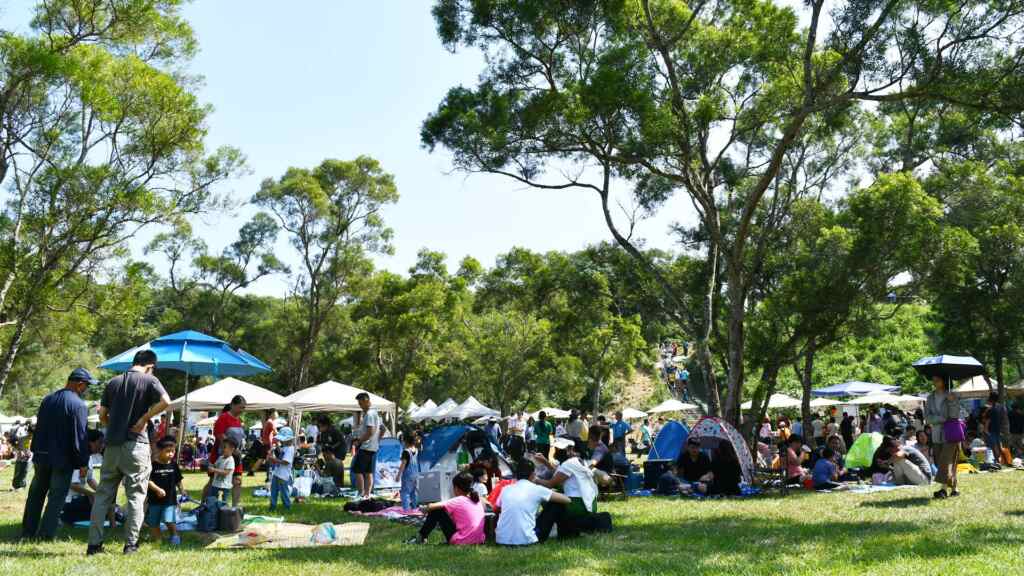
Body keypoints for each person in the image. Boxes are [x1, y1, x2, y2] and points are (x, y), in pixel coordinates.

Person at [88, 351, 170, 556]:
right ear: (150, 365)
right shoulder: (150, 379)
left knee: (103, 496)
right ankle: (131, 545)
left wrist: (114, 428)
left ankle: (94, 545)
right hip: (136, 445)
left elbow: (102, 415)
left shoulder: (113, 382)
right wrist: (144, 418)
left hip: (112, 447)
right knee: (135, 496)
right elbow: (166, 401)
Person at [20, 368, 96, 540]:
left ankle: (27, 532)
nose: (86, 390)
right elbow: (79, 437)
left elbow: (39, 429)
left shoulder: (48, 399)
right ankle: (46, 535)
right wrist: (83, 462)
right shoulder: (78, 405)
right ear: (79, 384)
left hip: (41, 455)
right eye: (86, 386)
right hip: (62, 459)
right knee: (56, 497)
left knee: (35, 495)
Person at [495, 459, 572, 546]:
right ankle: (567, 535)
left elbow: (497, 508)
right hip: (527, 540)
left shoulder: (506, 489)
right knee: (557, 505)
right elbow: (567, 500)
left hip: (501, 540)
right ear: (532, 475)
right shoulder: (537, 489)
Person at [407, 471, 485, 545]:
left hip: (461, 540)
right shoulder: (477, 500)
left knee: (437, 510)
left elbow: (432, 506)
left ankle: (421, 537)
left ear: (456, 488)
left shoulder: (458, 500)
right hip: (478, 540)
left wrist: (424, 509)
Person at [200, 395, 246, 507]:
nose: (242, 410)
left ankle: (235, 508)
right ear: (232, 405)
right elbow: (220, 436)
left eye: (243, 408)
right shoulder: (223, 418)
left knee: (237, 481)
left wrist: (237, 451)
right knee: (213, 482)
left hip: (236, 456)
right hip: (221, 455)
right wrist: (231, 450)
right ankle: (204, 504)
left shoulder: (238, 421)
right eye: (240, 407)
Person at [924, 375, 962, 499]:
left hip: (951, 433)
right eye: (933, 379)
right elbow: (927, 417)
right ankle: (955, 487)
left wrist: (952, 401)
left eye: (937, 379)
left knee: (946, 461)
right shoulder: (930, 398)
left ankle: (943, 490)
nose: (934, 382)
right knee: (941, 461)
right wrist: (939, 419)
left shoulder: (953, 395)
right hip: (936, 434)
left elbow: (955, 415)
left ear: (944, 381)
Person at [60, 431, 107, 525]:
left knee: (105, 503)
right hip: (68, 501)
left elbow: (90, 479)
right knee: (102, 508)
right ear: (91, 442)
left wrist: (101, 492)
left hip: (78, 498)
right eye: (100, 442)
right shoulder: (79, 458)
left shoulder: (89, 458)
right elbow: (72, 485)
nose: (102, 445)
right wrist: (91, 494)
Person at [146, 436, 186, 546]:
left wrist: (182, 490)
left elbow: (178, 480)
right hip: (154, 500)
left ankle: (175, 535)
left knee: (169, 519)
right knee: (154, 522)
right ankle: (158, 538)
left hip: (169, 500)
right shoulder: (152, 466)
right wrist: (157, 489)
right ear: (159, 451)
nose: (171, 454)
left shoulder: (174, 465)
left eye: (172, 451)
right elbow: (148, 481)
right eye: (167, 451)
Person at [353, 392, 380, 500]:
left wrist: (359, 441)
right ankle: (367, 495)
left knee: (358, 471)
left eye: (360, 403)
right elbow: (381, 429)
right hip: (373, 447)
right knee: (368, 472)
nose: (360, 405)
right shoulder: (375, 413)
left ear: (366, 401)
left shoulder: (369, 414)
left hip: (366, 447)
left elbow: (370, 431)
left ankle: (361, 494)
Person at [267, 426, 295, 512]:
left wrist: (274, 460)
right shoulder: (285, 447)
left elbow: (286, 462)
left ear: (288, 439)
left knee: (284, 492)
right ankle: (272, 505)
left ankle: (287, 506)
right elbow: (281, 453)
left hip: (283, 475)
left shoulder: (290, 449)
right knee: (273, 490)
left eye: (283, 440)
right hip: (277, 473)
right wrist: (275, 449)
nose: (281, 441)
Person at [208, 437, 238, 503]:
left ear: (232, 449)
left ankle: (222, 512)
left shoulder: (230, 460)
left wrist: (214, 470)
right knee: (212, 501)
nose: (222, 449)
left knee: (222, 503)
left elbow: (226, 472)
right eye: (222, 447)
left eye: (224, 447)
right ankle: (213, 511)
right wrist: (210, 466)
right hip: (215, 484)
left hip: (224, 487)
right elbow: (215, 466)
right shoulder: (220, 458)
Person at [252, 410, 278, 479]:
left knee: (262, 458)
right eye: (275, 413)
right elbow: (276, 433)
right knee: (270, 459)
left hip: (265, 443)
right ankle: (269, 476)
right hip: (269, 443)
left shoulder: (267, 422)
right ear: (271, 414)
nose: (277, 414)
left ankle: (252, 472)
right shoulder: (270, 422)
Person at [398, 433, 419, 510]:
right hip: (416, 474)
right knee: (414, 492)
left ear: (406, 441)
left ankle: (406, 509)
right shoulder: (416, 450)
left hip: (407, 475)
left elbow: (403, 464)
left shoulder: (405, 451)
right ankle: (414, 507)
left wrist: (398, 475)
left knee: (405, 492)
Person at [987, 392, 1009, 462]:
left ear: (991, 399)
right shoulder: (1002, 407)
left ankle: (997, 461)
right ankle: (1004, 460)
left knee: (994, 446)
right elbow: (1004, 418)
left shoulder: (990, 409)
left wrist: (986, 430)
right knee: (999, 446)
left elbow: (988, 420)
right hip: (1000, 429)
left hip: (992, 430)